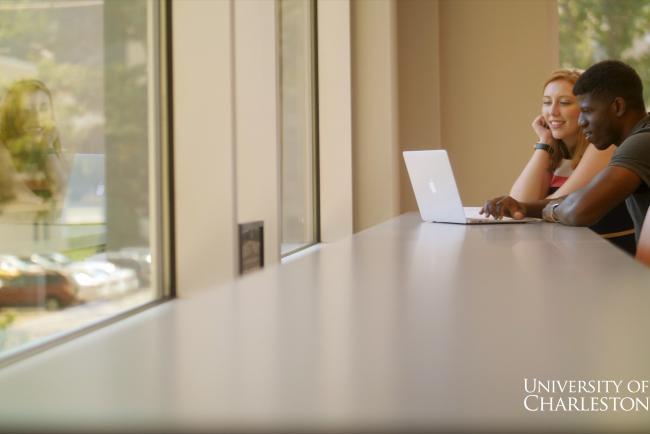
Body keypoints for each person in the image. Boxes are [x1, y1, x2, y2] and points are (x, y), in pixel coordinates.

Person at [481, 60, 650, 248]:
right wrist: (524, 207)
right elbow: (576, 200)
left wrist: (550, 209)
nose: (581, 122)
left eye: (587, 111)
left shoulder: (642, 142)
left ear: (618, 106)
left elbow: (579, 211)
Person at [0, 79, 68, 205]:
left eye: (44, 109)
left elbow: (65, 192)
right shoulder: (2, 148)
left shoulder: (51, 145)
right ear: (12, 115)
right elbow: (18, 194)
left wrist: (47, 146)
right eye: (26, 110)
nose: (37, 118)